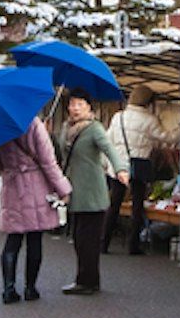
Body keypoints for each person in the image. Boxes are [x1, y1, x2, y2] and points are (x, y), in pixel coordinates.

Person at [0, 117, 74, 304]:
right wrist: (63, 189)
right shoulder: (34, 124)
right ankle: (30, 288)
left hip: (12, 186)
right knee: (35, 239)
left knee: (13, 239)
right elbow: (49, 162)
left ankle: (8, 289)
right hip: (35, 186)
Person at [107, 83, 180, 255]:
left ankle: (103, 243)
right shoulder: (149, 120)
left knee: (114, 204)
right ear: (148, 102)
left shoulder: (117, 117)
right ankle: (133, 246)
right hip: (138, 166)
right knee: (137, 206)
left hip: (118, 166)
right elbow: (167, 138)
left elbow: (108, 140)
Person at [54, 89, 130, 295]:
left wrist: (121, 169)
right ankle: (84, 279)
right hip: (74, 189)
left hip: (92, 191)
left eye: (79, 104)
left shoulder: (94, 128)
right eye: (72, 104)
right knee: (78, 238)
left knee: (87, 239)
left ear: (89, 107)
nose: (75, 108)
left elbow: (109, 149)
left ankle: (89, 281)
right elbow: (60, 153)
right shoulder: (64, 127)